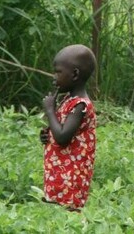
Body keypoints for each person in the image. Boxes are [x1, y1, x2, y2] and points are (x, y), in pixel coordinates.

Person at [39, 44, 97, 211]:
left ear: (75, 74)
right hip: (60, 175)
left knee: (69, 216)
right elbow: (59, 131)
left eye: (58, 72)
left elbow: (63, 138)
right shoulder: (68, 101)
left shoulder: (80, 105)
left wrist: (50, 110)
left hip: (70, 178)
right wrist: (47, 135)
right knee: (56, 216)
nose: (54, 77)